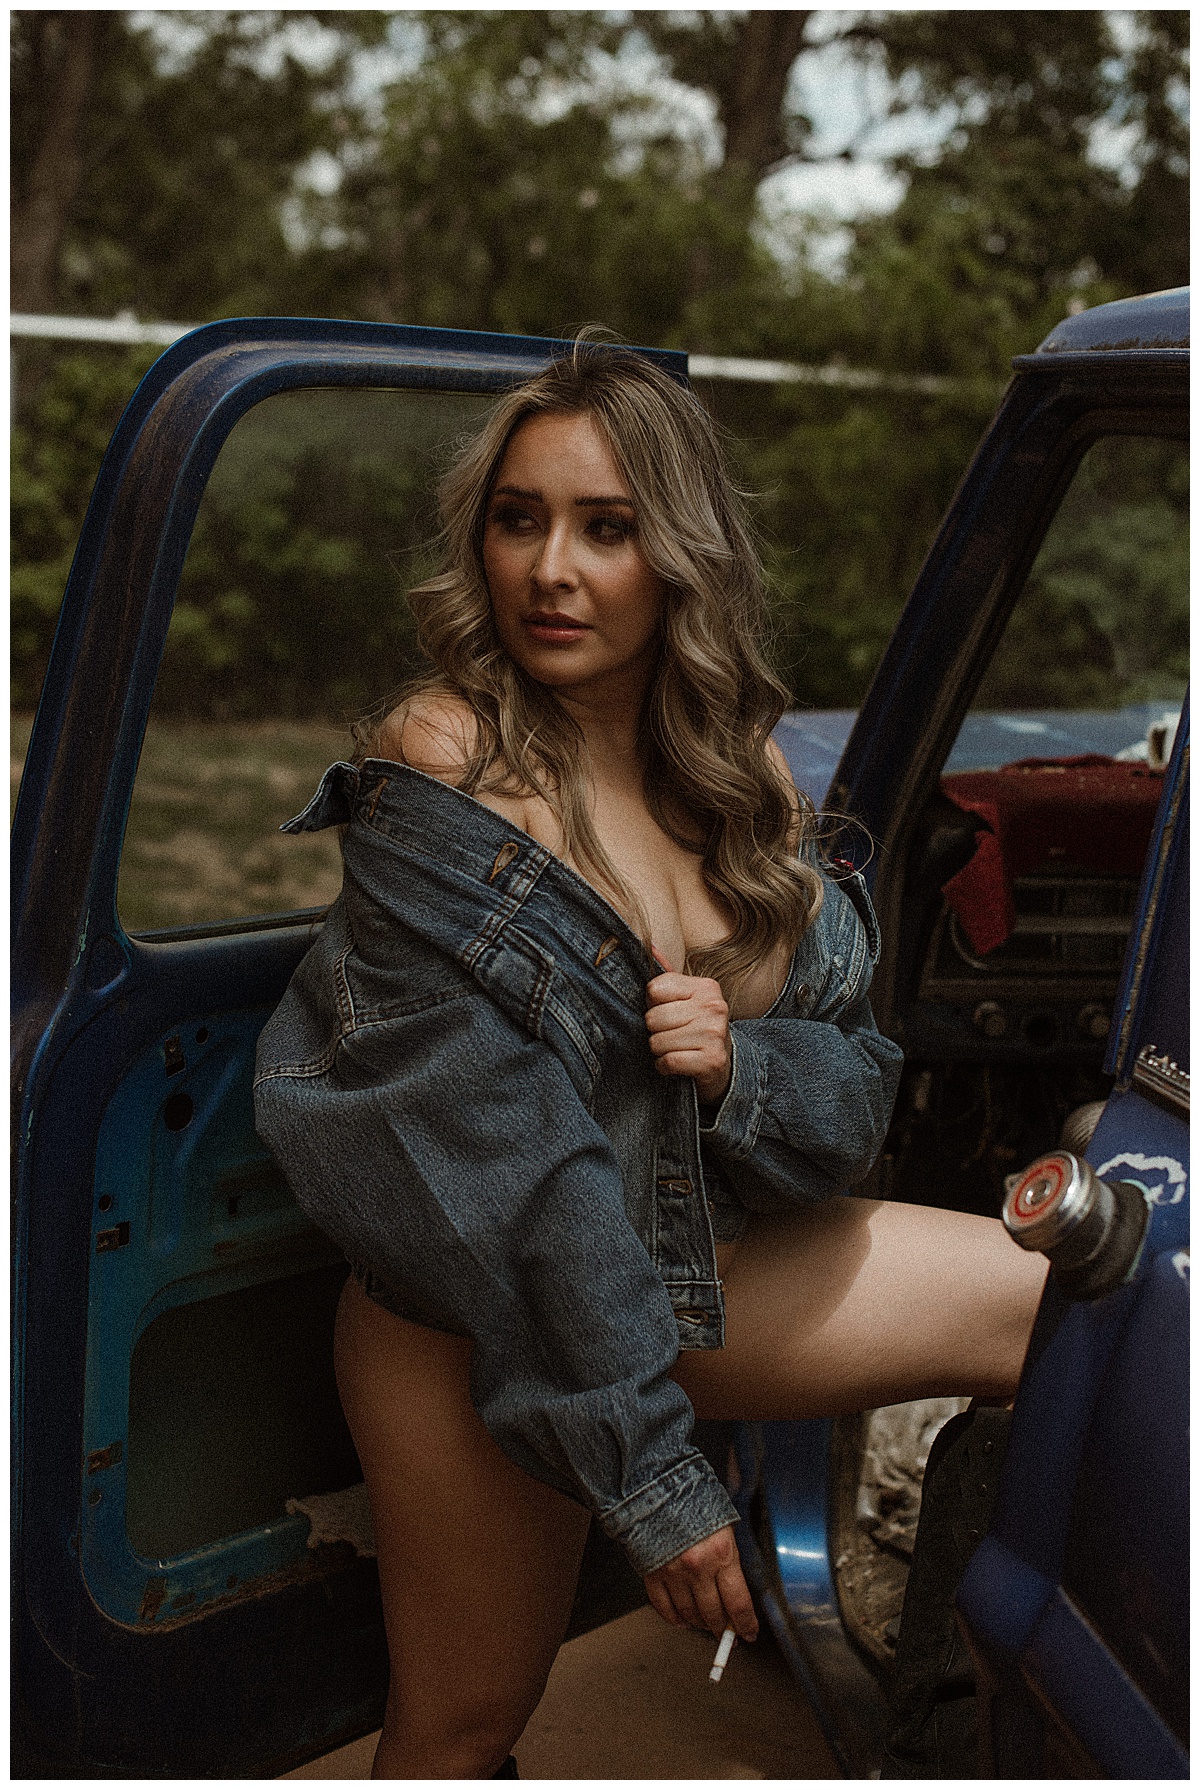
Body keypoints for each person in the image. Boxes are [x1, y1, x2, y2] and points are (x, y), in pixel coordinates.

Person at [253, 341, 1048, 1780]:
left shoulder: (742, 780)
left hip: (703, 1263)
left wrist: (745, 1066)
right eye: (520, 518)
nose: (551, 567)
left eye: (605, 527)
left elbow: (859, 1082)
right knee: (461, 1726)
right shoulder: (448, 765)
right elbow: (494, 1165)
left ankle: (973, 1722)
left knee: (1068, 1303)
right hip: (482, 1308)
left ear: (678, 552)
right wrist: (660, 1479)